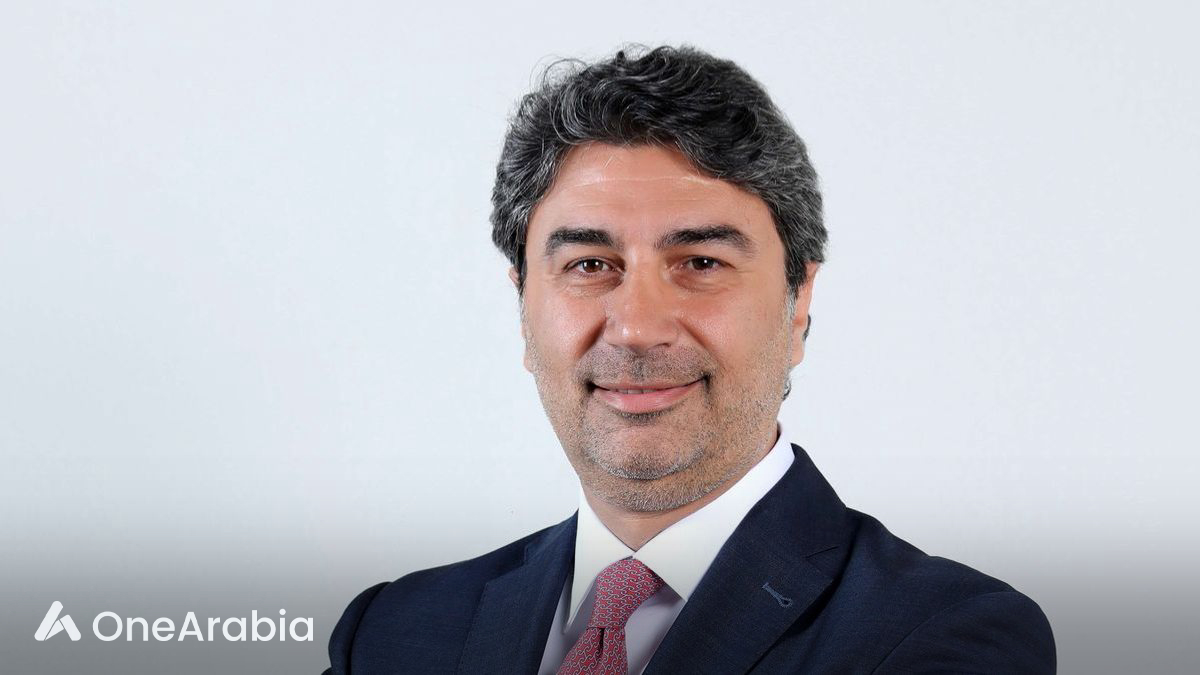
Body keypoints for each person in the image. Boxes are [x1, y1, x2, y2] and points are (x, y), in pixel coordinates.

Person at [322, 45, 1056, 674]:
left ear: (798, 303)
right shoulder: (393, 633)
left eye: (701, 262)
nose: (637, 328)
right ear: (523, 307)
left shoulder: (944, 634)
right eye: (588, 264)